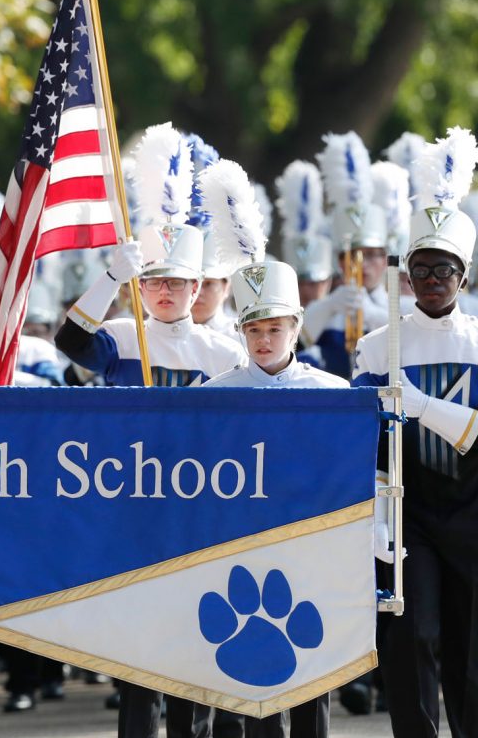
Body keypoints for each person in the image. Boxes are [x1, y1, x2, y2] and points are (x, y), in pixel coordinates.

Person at [56, 128, 247, 738]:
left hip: (202, 505)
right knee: (138, 651)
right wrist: (110, 279)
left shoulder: (223, 352)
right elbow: (70, 342)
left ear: (197, 288)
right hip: (133, 502)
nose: (165, 293)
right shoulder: (121, 335)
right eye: (154, 282)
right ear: (142, 287)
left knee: (197, 639)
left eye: (177, 283)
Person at [353, 126, 478, 738]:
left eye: (444, 270)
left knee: (469, 648)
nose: (431, 280)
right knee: (412, 635)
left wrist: (423, 405)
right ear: (406, 274)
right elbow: (363, 438)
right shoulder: (379, 345)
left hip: (473, 507)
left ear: (463, 276)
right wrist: (378, 512)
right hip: (410, 511)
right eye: (421, 268)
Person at [205, 260, 347, 737]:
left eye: (274, 328)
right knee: (246, 674)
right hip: (240, 540)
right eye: (253, 330)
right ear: (240, 331)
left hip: (308, 540)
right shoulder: (215, 394)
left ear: (296, 327)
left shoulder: (332, 392)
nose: (263, 339)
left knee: (310, 662)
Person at [301, 133, 388, 379]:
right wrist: (329, 305)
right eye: (355, 256)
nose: (364, 264)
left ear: (385, 260)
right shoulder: (325, 308)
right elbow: (297, 340)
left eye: (372, 255)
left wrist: (372, 315)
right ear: (341, 262)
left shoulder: (398, 307)